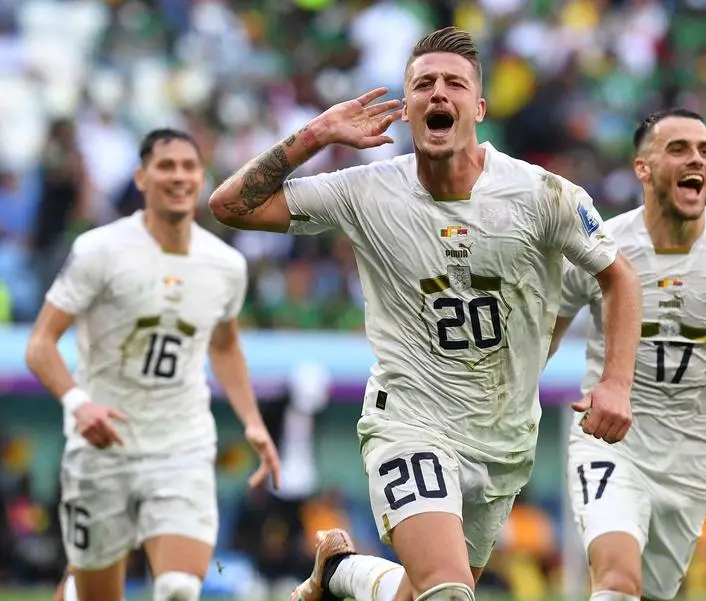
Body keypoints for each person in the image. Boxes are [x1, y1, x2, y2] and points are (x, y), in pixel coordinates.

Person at [208, 26, 642, 601]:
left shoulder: (545, 196)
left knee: (420, 595)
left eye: (455, 84)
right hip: (408, 420)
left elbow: (619, 276)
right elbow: (230, 205)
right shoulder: (366, 191)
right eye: (424, 84)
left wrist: (616, 382)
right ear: (407, 109)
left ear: (479, 108)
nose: (439, 94)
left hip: (503, 436)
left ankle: (339, 575)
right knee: (447, 593)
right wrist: (316, 134)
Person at [548, 108, 706, 601]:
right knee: (617, 581)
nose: (697, 160)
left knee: (649, 593)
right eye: (679, 149)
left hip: (694, 460)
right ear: (643, 168)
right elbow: (545, 334)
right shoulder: (601, 246)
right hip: (610, 444)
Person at [26, 128, 282, 601]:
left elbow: (224, 347)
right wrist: (79, 404)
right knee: (96, 593)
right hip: (102, 446)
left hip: (180, 445)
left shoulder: (225, 264)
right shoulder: (99, 250)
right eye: (166, 166)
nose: (179, 176)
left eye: (189, 166)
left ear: (202, 178)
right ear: (142, 177)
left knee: (180, 588)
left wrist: (252, 422)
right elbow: (40, 344)